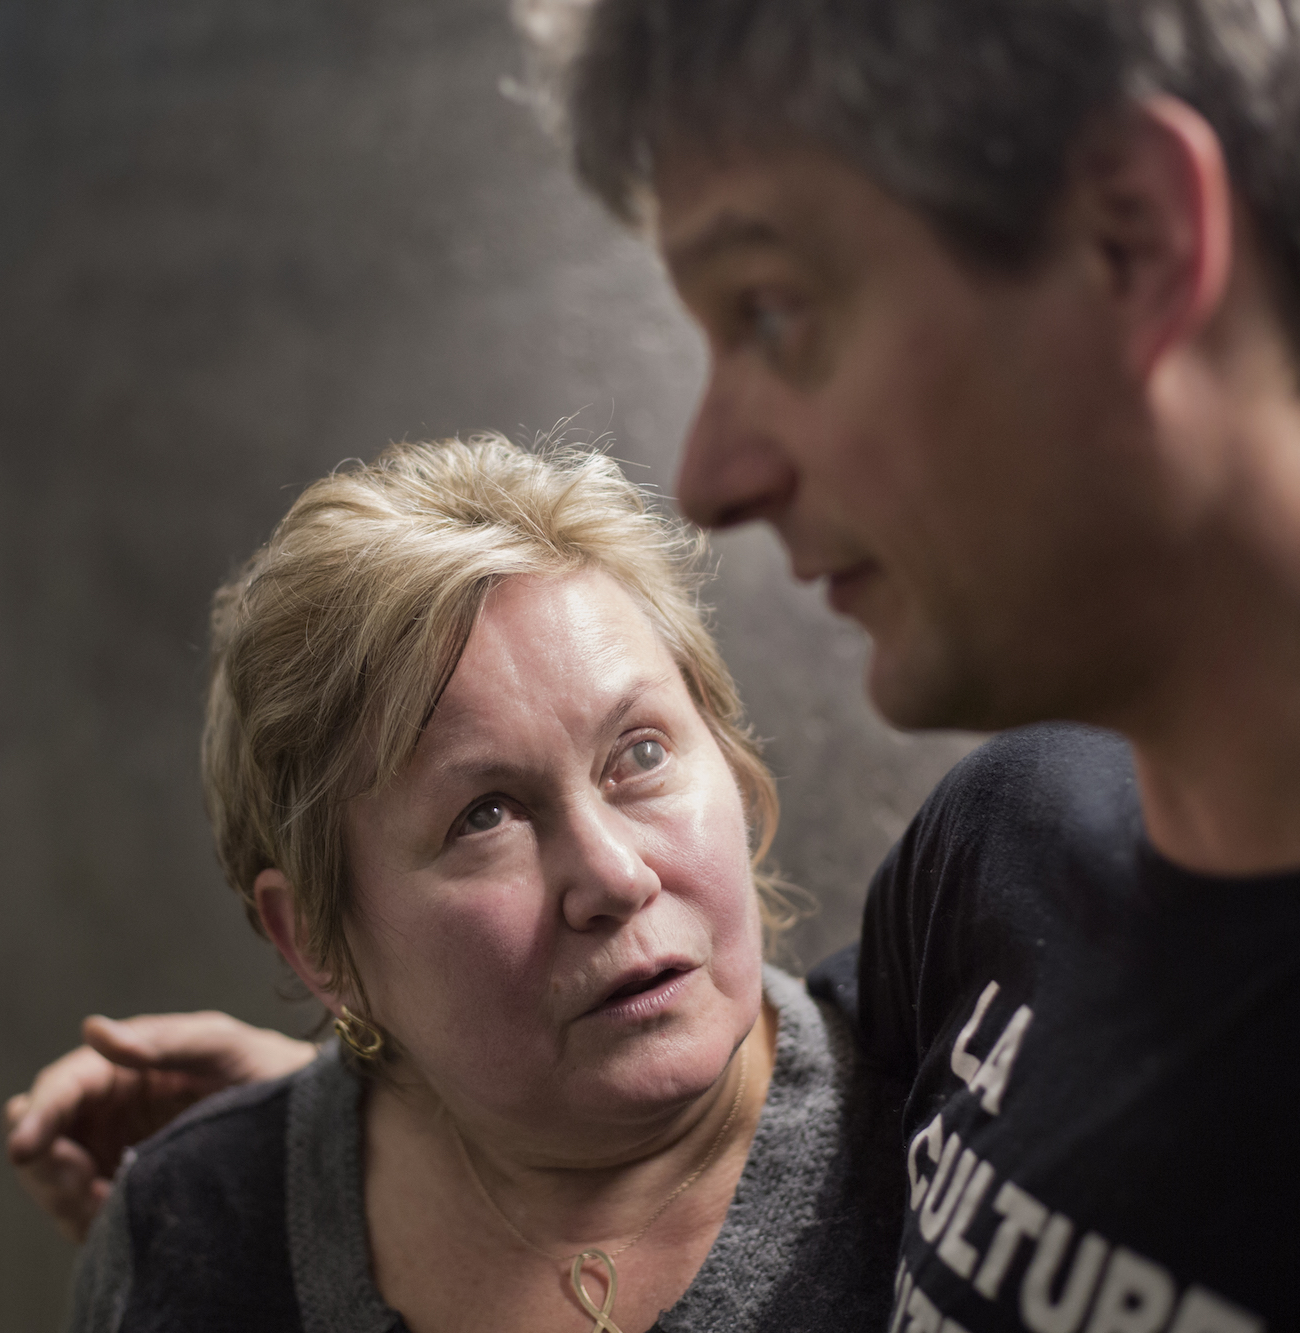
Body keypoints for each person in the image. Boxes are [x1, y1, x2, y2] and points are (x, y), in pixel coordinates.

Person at [13, 0, 1300, 1326]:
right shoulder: (1012, 859)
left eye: (773, 310)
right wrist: (344, 1118)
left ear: (1140, 241)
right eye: (483, 816)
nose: (710, 474)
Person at [57, 436, 902, 1332]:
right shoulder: (184, 1233)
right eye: (485, 816)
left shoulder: (941, 1136)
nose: (615, 877)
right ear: (317, 944)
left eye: (641, 753)